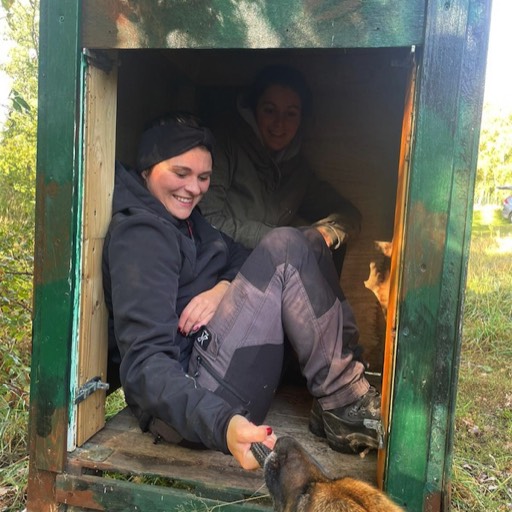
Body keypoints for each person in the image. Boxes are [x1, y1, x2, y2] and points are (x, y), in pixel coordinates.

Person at [102, 113, 380, 471]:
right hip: (191, 406)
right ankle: (343, 400)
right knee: (283, 244)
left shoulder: (189, 221)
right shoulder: (141, 237)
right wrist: (223, 424)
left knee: (307, 241)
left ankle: (340, 395)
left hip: (214, 372)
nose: (194, 188)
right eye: (180, 173)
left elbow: (240, 256)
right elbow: (145, 367)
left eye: (203, 177)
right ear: (146, 171)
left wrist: (221, 288)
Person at [200, 64, 362, 268]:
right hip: (219, 268)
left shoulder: (297, 171)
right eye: (270, 110)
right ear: (253, 110)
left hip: (269, 275)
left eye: (291, 114)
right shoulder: (226, 147)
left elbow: (349, 214)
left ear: (301, 118)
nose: (279, 123)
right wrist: (285, 240)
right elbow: (207, 219)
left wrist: (325, 234)